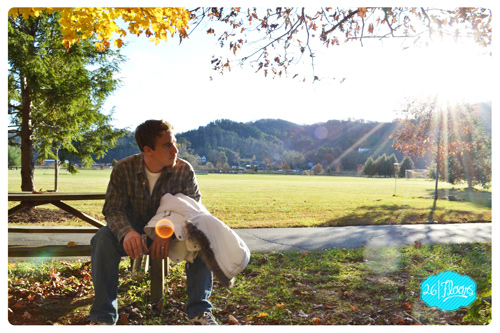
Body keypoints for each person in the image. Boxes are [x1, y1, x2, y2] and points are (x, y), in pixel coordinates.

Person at [89, 120, 217, 325]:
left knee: (203, 237)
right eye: (167, 145)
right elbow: (113, 209)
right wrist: (127, 232)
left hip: (173, 234)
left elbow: (194, 212)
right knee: (102, 239)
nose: (175, 149)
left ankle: (199, 313)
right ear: (148, 150)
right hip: (135, 234)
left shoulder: (184, 170)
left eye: (174, 143)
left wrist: (166, 231)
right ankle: (102, 318)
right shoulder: (124, 169)